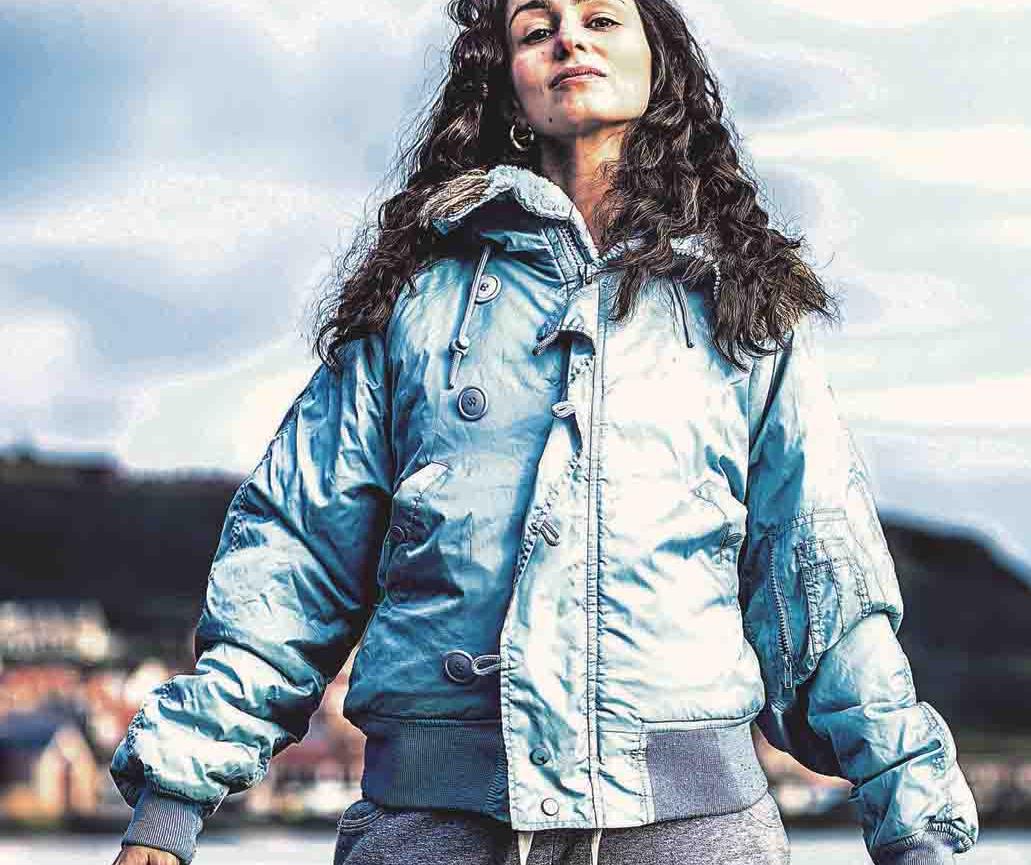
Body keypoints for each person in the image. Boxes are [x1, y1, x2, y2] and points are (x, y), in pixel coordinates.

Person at [109, 0, 980, 863]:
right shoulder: (414, 301)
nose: (569, 35)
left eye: (602, 19)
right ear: (503, 77)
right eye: (536, 26)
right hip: (433, 826)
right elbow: (296, 555)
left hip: (693, 834)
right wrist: (170, 804)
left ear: (659, 63)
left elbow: (821, 582)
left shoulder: (745, 311)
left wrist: (917, 826)